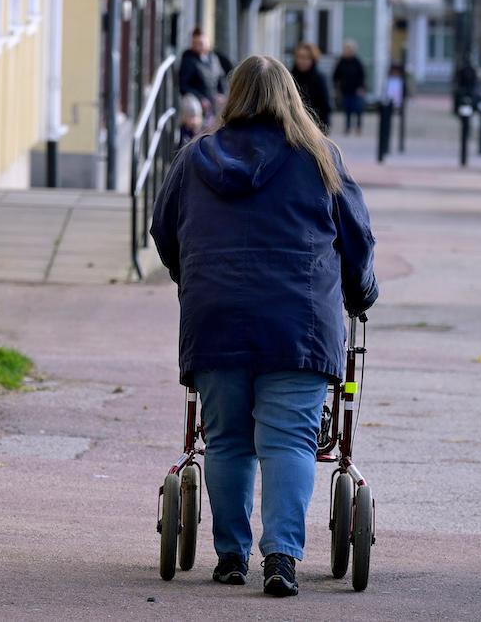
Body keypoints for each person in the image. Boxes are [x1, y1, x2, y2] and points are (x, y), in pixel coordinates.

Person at [150, 55, 378, 597]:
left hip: (215, 320)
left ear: (234, 97)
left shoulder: (194, 159)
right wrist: (361, 292)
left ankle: (230, 556)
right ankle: (281, 558)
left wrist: (195, 278)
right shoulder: (321, 159)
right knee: (290, 441)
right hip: (297, 324)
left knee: (226, 439)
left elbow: (163, 232)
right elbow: (357, 239)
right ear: (291, 98)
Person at [179, 28, 232, 121]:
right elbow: (184, 85)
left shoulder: (214, 58)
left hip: (214, 100)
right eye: (195, 43)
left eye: (200, 43)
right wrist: (200, 98)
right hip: (197, 102)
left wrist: (221, 94)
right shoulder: (188, 60)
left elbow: (220, 79)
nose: (198, 46)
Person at [290, 42, 332, 134]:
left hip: (313, 129)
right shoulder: (289, 77)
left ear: (313, 60)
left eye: (306, 58)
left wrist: (323, 131)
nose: (301, 61)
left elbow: (325, 106)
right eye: (299, 57)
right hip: (292, 128)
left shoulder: (319, 79)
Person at [332, 40, 367, 135]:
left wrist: (362, 88)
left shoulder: (357, 62)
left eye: (349, 49)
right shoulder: (341, 61)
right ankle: (347, 127)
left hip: (356, 90)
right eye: (346, 49)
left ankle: (358, 127)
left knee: (358, 109)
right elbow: (336, 75)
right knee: (347, 109)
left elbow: (362, 75)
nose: (347, 51)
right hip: (345, 89)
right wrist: (337, 87)